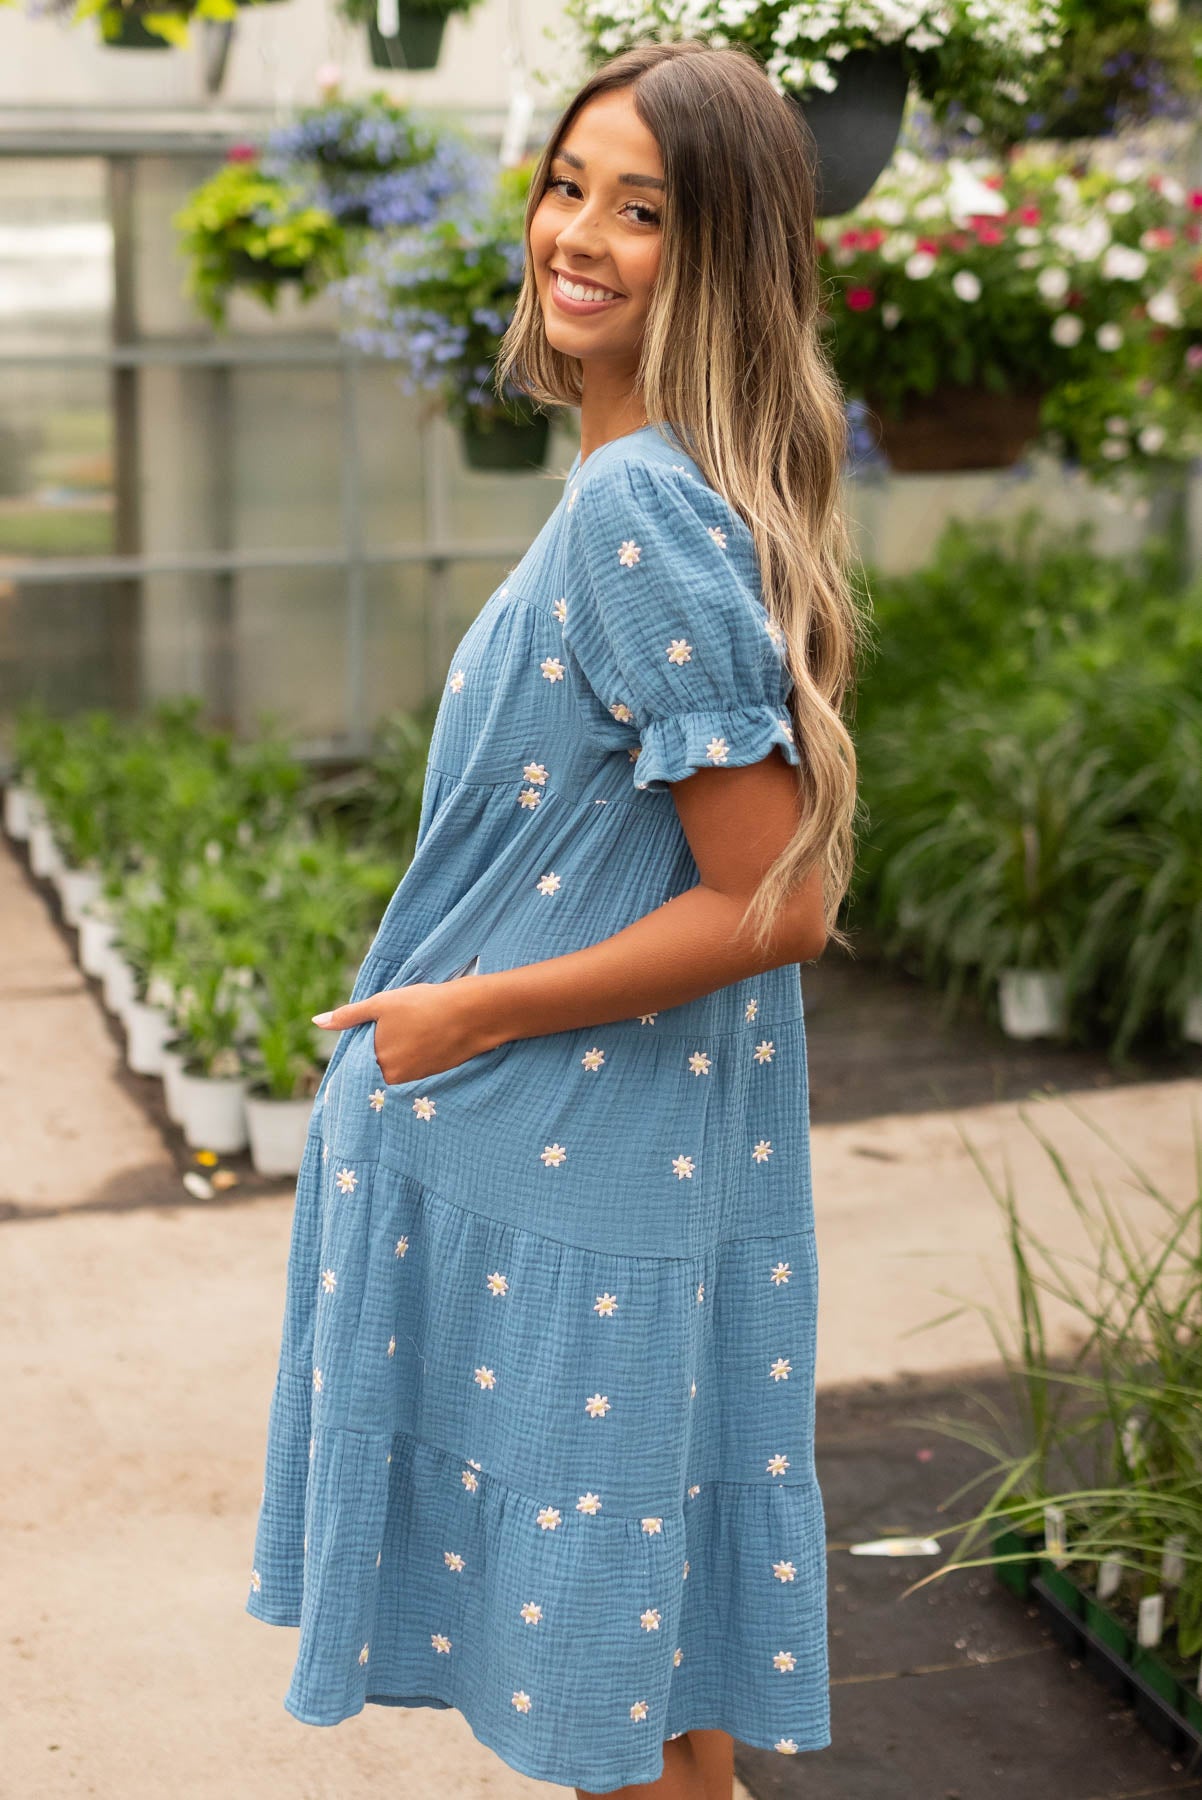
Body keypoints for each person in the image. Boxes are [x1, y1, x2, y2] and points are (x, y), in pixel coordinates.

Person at [246, 37, 866, 1800]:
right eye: (565, 184)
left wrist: (465, 1017)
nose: (577, 234)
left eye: (644, 208)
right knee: (652, 1701)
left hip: (567, 1159)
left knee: (614, 1696)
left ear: (725, 247)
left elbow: (777, 901)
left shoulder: (630, 508)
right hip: (595, 1157)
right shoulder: (658, 485)